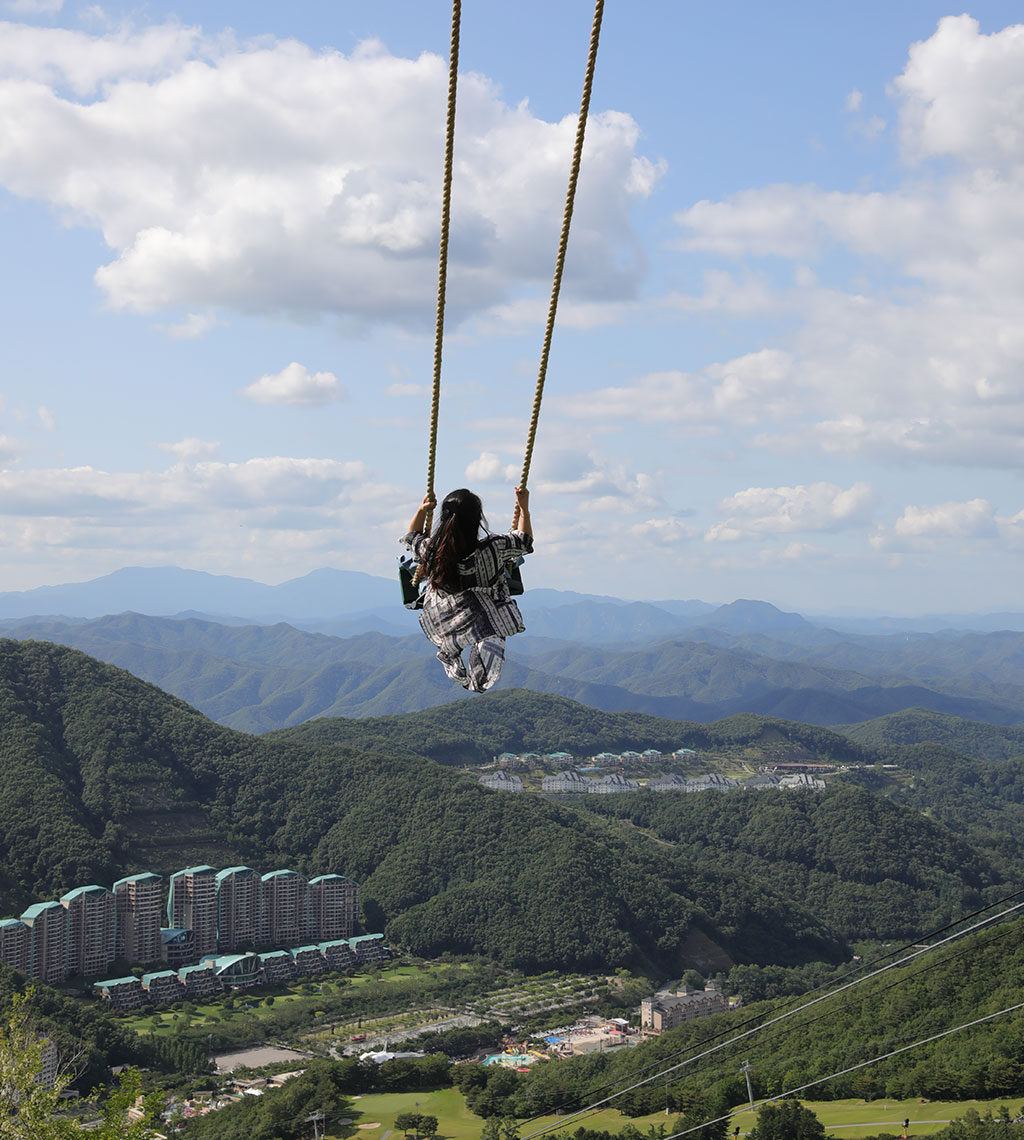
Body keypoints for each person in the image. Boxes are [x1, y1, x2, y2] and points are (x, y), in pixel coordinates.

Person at [402, 485, 533, 692]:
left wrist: (421, 510)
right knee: (511, 560)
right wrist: (524, 509)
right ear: (477, 520)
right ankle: (482, 655)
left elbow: (412, 537)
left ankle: (454, 654)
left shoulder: (431, 550)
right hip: (486, 603)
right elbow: (524, 541)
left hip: (446, 609)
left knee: (409, 564)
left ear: (444, 518)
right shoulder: (494, 546)